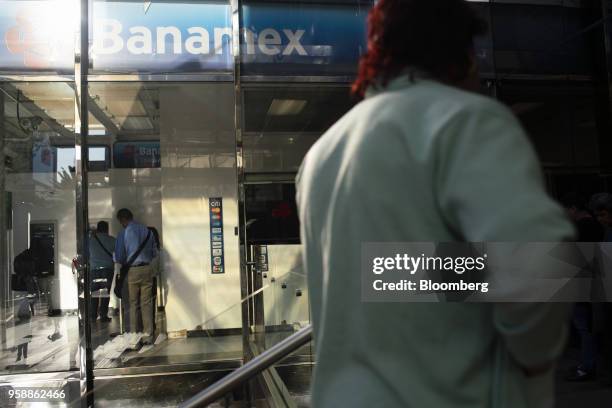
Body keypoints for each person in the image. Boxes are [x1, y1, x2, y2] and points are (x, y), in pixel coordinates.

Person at [296, 1, 574, 407]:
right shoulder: (465, 120)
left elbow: (386, 273)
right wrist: (536, 357)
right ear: (461, 55)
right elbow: (534, 262)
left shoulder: (320, 156)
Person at [561, 193, 603, 381]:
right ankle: (590, 363)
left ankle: (587, 366)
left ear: (572, 209)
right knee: (592, 326)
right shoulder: (599, 226)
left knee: (583, 327)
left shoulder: (576, 229)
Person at [114, 209, 157, 344]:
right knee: (147, 303)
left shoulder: (124, 233)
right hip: (147, 268)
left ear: (122, 219)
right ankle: (148, 336)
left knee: (133, 304)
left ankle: (134, 337)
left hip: (132, 271)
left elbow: (120, 256)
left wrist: (116, 257)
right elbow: (154, 252)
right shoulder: (147, 231)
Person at [88, 221, 116, 323]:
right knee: (105, 293)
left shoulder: (90, 240)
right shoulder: (112, 240)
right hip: (107, 269)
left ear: (98, 229)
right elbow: (118, 253)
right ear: (107, 229)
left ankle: (93, 316)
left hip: (94, 270)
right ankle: (103, 316)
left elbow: (86, 254)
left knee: (95, 293)